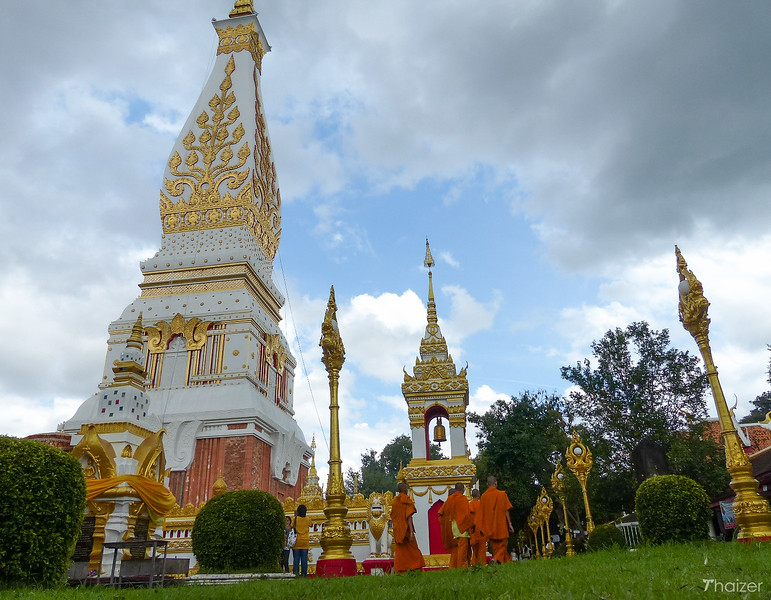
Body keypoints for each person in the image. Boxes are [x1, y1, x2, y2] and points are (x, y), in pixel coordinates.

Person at [477, 476, 513, 564]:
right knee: (503, 545)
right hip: (501, 526)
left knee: (496, 548)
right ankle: (495, 559)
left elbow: (481, 513)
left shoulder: (483, 496)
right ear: (495, 483)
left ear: (487, 484)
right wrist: (510, 523)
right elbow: (506, 510)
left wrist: (481, 528)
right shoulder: (502, 494)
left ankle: (505, 562)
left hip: (489, 528)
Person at [392, 482, 425, 574]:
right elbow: (408, 516)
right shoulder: (406, 500)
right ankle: (414, 568)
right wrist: (411, 532)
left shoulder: (395, 501)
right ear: (406, 490)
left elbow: (394, 516)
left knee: (400, 551)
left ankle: (401, 570)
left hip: (398, 530)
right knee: (413, 549)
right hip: (406, 529)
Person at [438, 482, 474, 568]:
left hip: (453, 527)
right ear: (462, 489)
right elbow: (467, 514)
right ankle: (461, 567)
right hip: (462, 527)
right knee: (463, 549)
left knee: (457, 549)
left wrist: (445, 524)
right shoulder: (463, 499)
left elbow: (441, 512)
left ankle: (454, 567)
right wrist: (471, 525)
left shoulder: (450, 499)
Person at [469, 488, 487, 566]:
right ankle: (482, 565)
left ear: (471, 496)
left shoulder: (469, 505)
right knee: (481, 551)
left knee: (475, 551)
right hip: (481, 531)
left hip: (473, 530)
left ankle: (475, 564)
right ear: (479, 495)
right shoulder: (481, 505)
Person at [292, 504, 310, 577]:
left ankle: (295, 574)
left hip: (297, 541)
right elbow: (311, 525)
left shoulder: (295, 519)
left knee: (296, 559)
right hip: (305, 541)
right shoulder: (308, 519)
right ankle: (304, 575)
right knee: (304, 560)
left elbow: (291, 526)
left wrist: (295, 515)